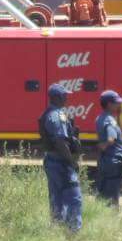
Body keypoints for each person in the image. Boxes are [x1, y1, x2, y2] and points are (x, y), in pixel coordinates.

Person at [39, 83, 82, 232]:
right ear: (58, 97)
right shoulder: (57, 116)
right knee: (74, 198)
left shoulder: (49, 113)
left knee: (56, 197)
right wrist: (71, 162)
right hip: (61, 163)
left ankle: (57, 229)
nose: (67, 98)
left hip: (52, 160)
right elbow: (60, 142)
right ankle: (73, 232)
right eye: (65, 95)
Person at [94, 90, 122, 206]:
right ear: (109, 104)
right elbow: (112, 138)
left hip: (105, 161)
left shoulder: (101, 118)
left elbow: (120, 135)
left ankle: (102, 218)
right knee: (113, 199)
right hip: (113, 162)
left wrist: (118, 116)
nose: (119, 105)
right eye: (117, 103)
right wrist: (104, 145)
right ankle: (113, 220)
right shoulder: (109, 121)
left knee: (102, 195)